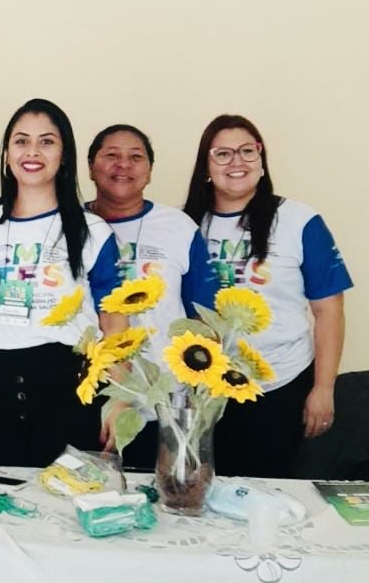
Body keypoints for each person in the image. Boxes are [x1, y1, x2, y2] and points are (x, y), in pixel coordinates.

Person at [0, 98, 124, 468]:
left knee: (66, 501)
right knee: (0, 501)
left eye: (46, 141)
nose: (32, 152)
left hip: (67, 385)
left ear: (64, 155)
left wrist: (120, 396)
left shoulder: (91, 230)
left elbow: (114, 320)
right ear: (7, 156)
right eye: (21, 141)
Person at [183, 114, 352, 478]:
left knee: (272, 492)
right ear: (206, 166)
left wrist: (323, 388)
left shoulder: (298, 220)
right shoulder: (185, 225)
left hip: (282, 385)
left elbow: (329, 310)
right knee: (206, 492)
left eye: (248, 151)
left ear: (262, 160)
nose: (238, 162)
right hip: (206, 390)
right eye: (223, 154)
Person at [85, 124, 218, 467]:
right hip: (85, 391)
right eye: (111, 156)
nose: (123, 165)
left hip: (162, 396)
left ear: (149, 171)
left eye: (135, 157)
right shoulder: (70, 225)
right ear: (90, 167)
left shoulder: (177, 226)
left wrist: (200, 391)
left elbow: (204, 314)